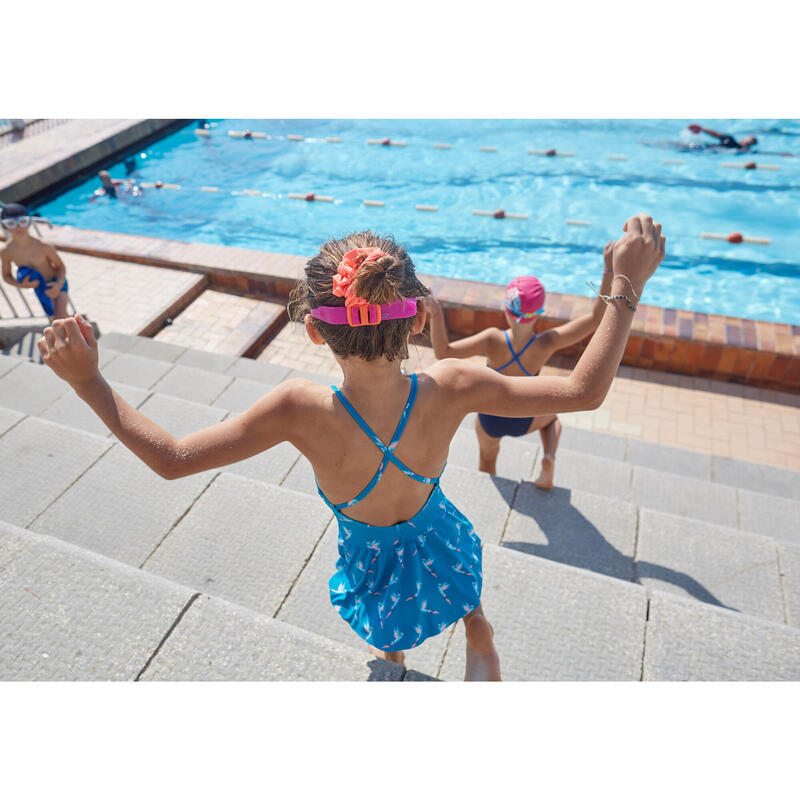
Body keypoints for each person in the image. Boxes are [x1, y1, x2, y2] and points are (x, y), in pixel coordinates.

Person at [35, 216, 665, 681]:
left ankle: (395, 664)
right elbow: (584, 392)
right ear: (418, 318)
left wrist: (89, 381)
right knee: (459, 579)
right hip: (434, 526)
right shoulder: (454, 386)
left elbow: (171, 459)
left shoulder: (297, 410)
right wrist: (623, 284)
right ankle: (479, 632)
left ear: (313, 331)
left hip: (369, 554)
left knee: (389, 629)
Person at [425, 243, 615, 488]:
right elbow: (595, 318)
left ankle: (488, 487)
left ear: (507, 309)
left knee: (486, 460)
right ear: (537, 314)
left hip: (490, 417)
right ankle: (548, 457)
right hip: (525, 416)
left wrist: (436, 312)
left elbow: (444, 352)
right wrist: (608, 270)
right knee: (552, 420)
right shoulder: (546, 344)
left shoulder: (492, 339)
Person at [1, 203, 71, 319]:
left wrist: (58, 285)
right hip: (40, 289)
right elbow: (6, 276)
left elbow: (60, 267)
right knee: (55, 319)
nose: (18, 227)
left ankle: (80, 334)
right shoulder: (6, 252)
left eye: (22, 222)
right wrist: (22, 285)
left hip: (56, 282)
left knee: (61, 316)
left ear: (29, 222)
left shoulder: (43, 246)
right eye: (11, 224)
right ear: (5, 226)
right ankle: (79, 332)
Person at [687, 124, 757, 151]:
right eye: (751, 138)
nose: (751, 141)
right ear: (744, 138)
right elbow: (716, 134)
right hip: (705, 147)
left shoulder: (744, 151)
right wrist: (701, 129)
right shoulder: (730, 140)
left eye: (752, 141)